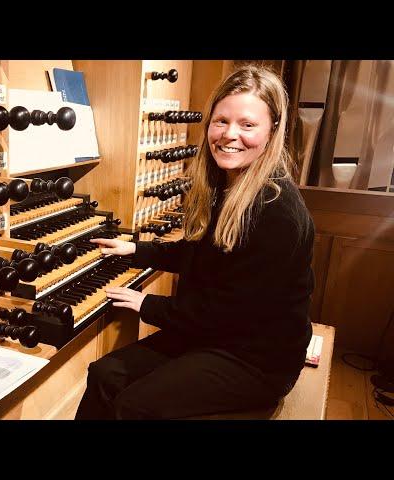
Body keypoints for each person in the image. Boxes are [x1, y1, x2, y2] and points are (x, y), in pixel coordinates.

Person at [75, 65, 315, 420]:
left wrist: (148, 305)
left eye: (247, 125)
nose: (230, 134)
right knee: (104, 375)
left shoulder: (275, 212)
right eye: (221, 121)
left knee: (134, 407)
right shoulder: (226, 184)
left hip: (256, 358)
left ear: (272, 129)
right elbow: (203, 253)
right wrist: (137, 250)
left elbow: (228, 313)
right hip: (215, 334)